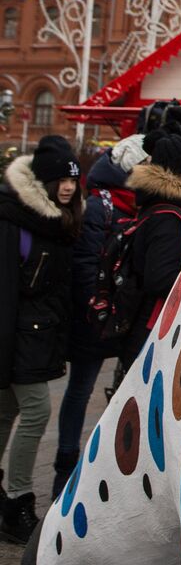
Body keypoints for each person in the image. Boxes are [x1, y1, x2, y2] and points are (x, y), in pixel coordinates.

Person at [51, 134, 145, 498]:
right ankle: (65, 465)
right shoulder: (101, 205)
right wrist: (98, 309)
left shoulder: (130, 203)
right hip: (94, 318)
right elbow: (86, 263)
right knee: (80, 390)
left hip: (118, 315)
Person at [0, 136, 82, 543]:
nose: (68, 187)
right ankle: (17, 501)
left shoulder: (56, 220)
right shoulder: (17, 220)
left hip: (36, 335)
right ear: (42, 182)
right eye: (59, 180)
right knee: (35, 413)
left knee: (6, 412)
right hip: (18, 337)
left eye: (73, 180)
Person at [120, 130, 181, 369]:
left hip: (151, 326)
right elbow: (160, 279)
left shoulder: (159, 208)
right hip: (154, 329)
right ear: (176, 172)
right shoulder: (170, 216)